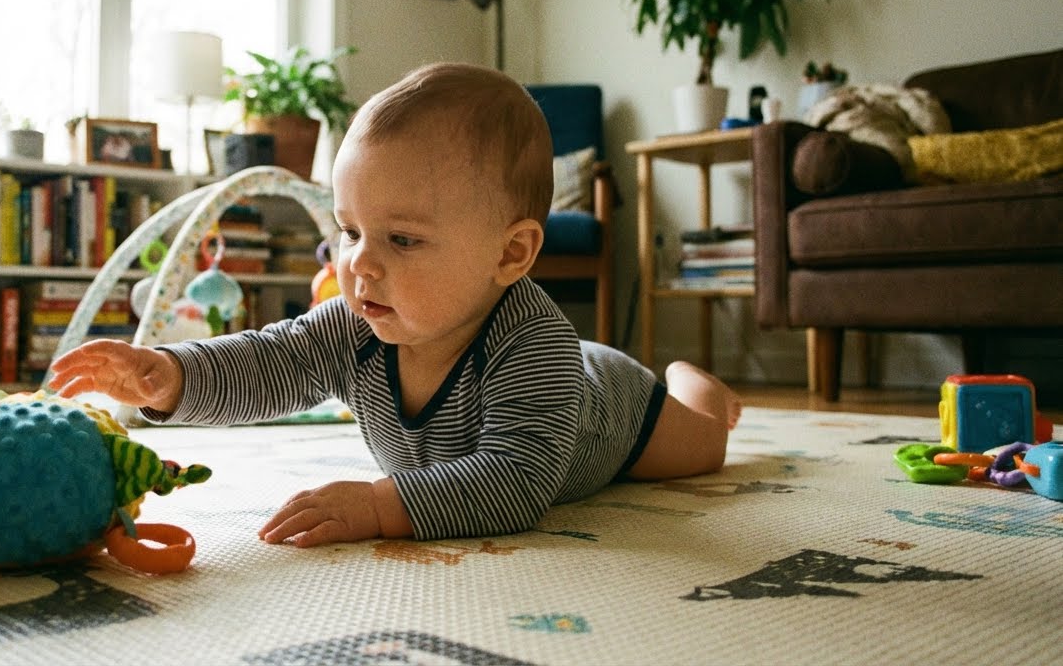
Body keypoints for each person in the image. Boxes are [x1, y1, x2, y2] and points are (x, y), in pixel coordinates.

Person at [48, 62, 741, 548]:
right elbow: (272, 361)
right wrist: (168, 375)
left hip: (615, 409)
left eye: (402, 238)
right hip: (574, 375)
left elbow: (516, 483)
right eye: (350, 231)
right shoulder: (357, 321)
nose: (358, 263)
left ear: (510, 255)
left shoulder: (535, 347)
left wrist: (379, 505)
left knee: (705, 444)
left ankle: (696, 385)